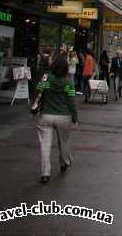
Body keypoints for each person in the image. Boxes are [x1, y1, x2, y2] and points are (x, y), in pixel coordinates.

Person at [35, 55, 78, 184]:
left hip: (46, 115)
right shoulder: (68, 82)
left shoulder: (46, 78)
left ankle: (45, 173)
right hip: (64, 116)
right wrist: (75, 118)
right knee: (63, 142)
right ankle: (64, 162)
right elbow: (71, 102)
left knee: (45, 145)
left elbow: (38, 91)